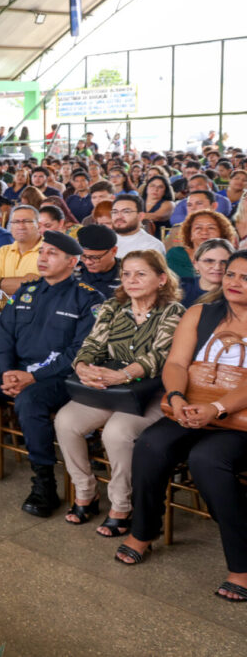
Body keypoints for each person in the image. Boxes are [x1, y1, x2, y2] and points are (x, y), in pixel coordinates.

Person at [115, 251, 247, 603]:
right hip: (193, 404)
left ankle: (242, 564)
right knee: (150, 445)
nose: (234, 282)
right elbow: (175, 363)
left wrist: (216, 409)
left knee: (207, 460)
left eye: (245, 278)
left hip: (239, 420)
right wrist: (176, 398)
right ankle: (144, 530)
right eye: (231, 274)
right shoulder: (201, 313)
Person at [0, 232, 104, 518]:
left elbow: (79, 352)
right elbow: (4, 337)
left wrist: (33, 377)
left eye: (52, 254)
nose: (43, 258)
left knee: (30, 401)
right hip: (15, 370)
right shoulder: (26, 291)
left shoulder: (87, 298)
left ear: (72, 262)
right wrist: (7, 372)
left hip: (58, 377)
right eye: (42, 252)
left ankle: (44, 483)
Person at [54, 250, 184, 534]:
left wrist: (125, 374)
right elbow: (92, 344)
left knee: (116, 433)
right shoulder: (112, 307)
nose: (131, 280)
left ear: (162, 279)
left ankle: (122, 505)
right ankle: (86, 491)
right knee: (65, 421)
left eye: (141, 274)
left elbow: (160, 356)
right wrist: (83, 367)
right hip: (110, 388)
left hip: (150, 392)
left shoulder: (173, 311)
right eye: (126, 274)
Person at [0, 204, 42, 295]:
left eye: (27, 221)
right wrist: (19, 283)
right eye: (15, 222)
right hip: (1, 304)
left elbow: (34, 288)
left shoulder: (48, 252)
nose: (21, 226)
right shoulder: (3, 251)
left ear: (39, 225)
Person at [168, 207, 235, 281]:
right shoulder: (176, 255)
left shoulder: (232, 258)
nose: (204, 232)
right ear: (190, 235)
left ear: (222, 234)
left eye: (211, 228)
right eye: (198, 228)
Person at [181, 238, 233, 305]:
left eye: (224, 262)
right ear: (195, 264)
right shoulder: (179, 286)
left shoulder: (235, 295)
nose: (217, 267)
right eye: (209, 261)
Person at [74, 224, 121, 296]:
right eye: (83, 256)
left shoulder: (129, 274)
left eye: (95, 257)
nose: (88, 262)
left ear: (113, 251)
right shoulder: (70, 271)